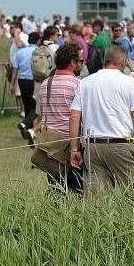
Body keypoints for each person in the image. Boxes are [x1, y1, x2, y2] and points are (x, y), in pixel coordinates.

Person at [69, 46, 134, 195]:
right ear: (123, 62)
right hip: (120, 144)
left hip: (93, 146)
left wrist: (74, 149)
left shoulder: (85, 82)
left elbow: (74, 116)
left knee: (95, 200)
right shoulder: (128, 82)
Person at [31, 43, 84, 192]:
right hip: (72, 145)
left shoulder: (46, 83)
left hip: (51, 145)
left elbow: (42, 115)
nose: (82, 63)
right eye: (80, 60)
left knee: (56, 188)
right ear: (72, 62)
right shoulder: (78, 84)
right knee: (77, 190)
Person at [12, 31, 39, 142]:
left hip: (22, 80)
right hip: (33, 80)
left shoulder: (20, 52)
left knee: (27, 104)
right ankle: (25, 123)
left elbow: (15, 69)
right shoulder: (37, 51)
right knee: (36, 106)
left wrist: (12, 84)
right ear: (38, 40)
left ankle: (27, 129)